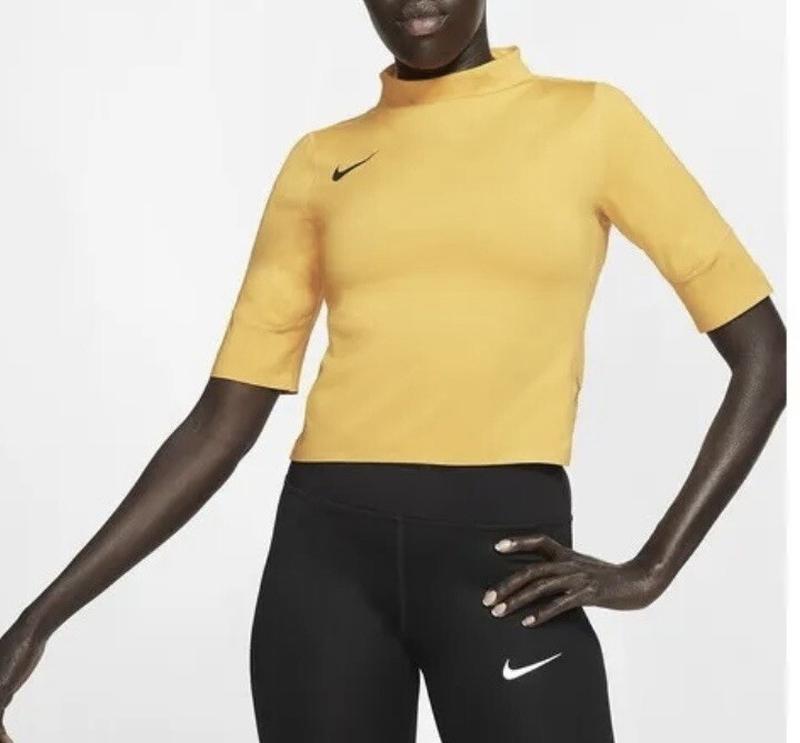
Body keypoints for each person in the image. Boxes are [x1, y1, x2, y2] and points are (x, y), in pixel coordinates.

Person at [0, 1, 786, 741]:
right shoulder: (321, 160)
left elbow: (762, 351)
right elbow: (220, 423)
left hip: (507, 568)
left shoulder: (591, 121)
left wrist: (652, 569)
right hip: (324, 570)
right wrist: (37, 623)